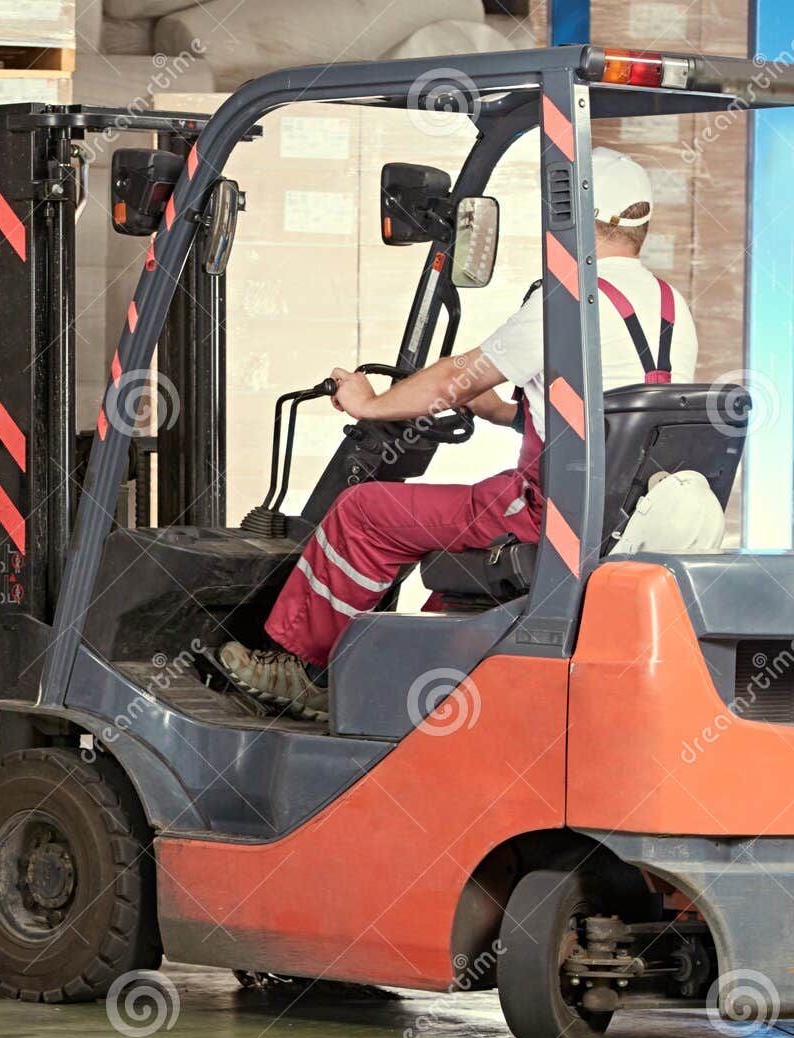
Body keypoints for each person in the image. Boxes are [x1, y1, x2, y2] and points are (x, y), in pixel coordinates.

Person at [222, 147, 698, 718]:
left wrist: (371, 404)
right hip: (617, 512)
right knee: (446, 547)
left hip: (549, 512)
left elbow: (456, 374)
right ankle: (399, 682)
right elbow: (605, 415)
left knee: (364, 512)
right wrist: (502, 412)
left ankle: (306, 671)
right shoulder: (671, 308)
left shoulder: (570, 302)